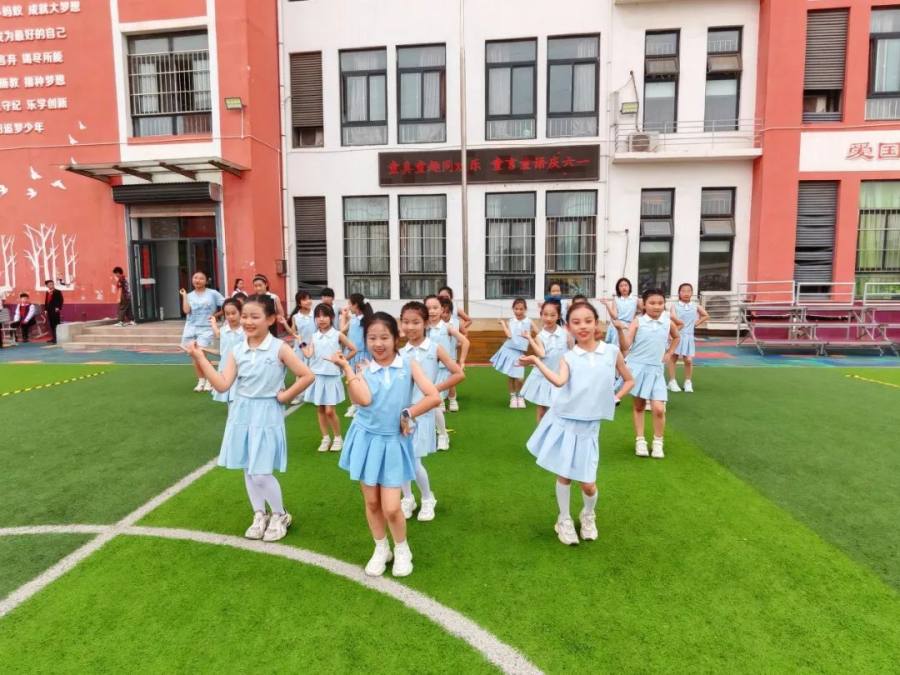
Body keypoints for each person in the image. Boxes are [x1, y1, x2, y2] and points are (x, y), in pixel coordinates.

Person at [183, 294, 315, 542]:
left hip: (267, 412)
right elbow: (223, 384)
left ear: (271, 319)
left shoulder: (279, 348)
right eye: (245, 316)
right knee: (248, 466)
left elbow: (307, 375)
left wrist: (285, 396)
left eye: (255, 316)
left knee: (261, 473)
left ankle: (280, 514)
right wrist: (200, 358)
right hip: (241, 412)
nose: (247, 321)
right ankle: (259, 514)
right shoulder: (237, 350)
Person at [333, 311, 441, 577]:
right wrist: (348, 370)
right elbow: (363, 401)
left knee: (392, 507)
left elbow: (434, 396)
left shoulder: (409, 364)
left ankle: (402, 549)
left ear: (395, 338)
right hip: (366, 440)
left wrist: (408, 413)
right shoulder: (363, 368)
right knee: (372, 502)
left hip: (393, 442)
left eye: (384, 337)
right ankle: (381, 548)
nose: (378, 343)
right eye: (372, 338)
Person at [520, 302, 634, 546]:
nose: (583, 326)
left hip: (590, 428)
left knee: (588, 483)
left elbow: (629, 380)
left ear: (596, 323)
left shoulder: (611, 351)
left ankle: (588, 515)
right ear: (569, 327)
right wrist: (537, 362)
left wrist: (615, 398)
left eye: (588, 321)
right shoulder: (568, 357)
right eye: (576, 322)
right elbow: (559, 381)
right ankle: (563, 519)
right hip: (566, 423)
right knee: (564, 476)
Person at [399, 301, 465, 521]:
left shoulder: (434, 348)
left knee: (414, 460)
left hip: (424, 412)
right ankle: (408, 498)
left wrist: (434, 389)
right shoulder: (400, 352)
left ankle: (428, 498)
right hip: (403, 414)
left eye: (415, 322)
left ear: (426, 323)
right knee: (402, 458)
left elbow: (458, 374)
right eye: (406, 322)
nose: (410, 327)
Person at [621, 288, 680, 460]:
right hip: (637, 368)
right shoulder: (638, 321)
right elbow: (626, 345)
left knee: (659, 408)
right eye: (652, 303)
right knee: (639, 406)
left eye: (660, 303)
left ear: (664, 305)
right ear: (644, 305)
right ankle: (640, 440)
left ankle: (658, 442)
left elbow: (676, 337)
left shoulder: (667, 322)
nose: (656, 306)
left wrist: (669, 353)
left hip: (656, 370)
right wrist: (619, 331)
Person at [302, 303, 357, 452]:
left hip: (332, 376)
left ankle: (338, 438)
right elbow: (309, 354)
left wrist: (342, 361)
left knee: (329, 411)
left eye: (325, 316)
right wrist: (301, 343)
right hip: (317, 376)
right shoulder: (314, 336)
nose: (321, 319)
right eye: (318, 316)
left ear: (331, 317)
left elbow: (353, 349)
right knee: (320, 409)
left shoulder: (337, 334)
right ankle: (325, 438)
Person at [424, 295, 468, 449]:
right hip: (426, 370)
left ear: (442, 310)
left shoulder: (447, 327)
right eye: (428, 308)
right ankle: (433, 432)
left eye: (435, 308)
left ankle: (443, 435)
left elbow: (465, 342)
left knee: (434, 403)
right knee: (428, 404)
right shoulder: (423, 328)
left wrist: (461, 361)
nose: (432, 311)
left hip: (443, 371)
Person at [521, 298, 570, 421]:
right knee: (542, 410)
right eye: (545, 314)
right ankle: (540, 433)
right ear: (541, 315)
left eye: (552, 315)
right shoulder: (540, 336)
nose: (548, 318)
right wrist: (530, 339)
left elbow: (572, 351)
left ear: (558, 316)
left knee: (559, 409)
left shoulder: (565, 333)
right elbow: (541, 354)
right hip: (544, 377)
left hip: (561, 376)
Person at [180, 271, 225, 392]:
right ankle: (201, 380)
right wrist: (184, 296)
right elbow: (186, 311)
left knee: (201, 354)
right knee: (195, 356)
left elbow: (226, 305)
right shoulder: (189, 295)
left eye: (201, 278)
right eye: (195, 278)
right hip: (191, 328)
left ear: (206, 281)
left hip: (206, 328)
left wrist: (215, 315)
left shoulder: (213, 293)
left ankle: (211, 380)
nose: (197, 280)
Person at [490, 297, 532, 409]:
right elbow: (509, 335)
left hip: (520, 352)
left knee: (520, 378)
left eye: (521, 309)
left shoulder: (528, 321)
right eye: (516, 309)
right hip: (509, 350)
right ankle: (513, 397)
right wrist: (503, 324)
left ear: (525, 309)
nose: (518, 311)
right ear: (513, 309)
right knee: (512, 376)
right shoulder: (511, 321)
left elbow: (538, 332)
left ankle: (520, 396)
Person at [667, 283, 709, 393]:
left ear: (692, 293)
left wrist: (696, 324)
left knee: (688, 360)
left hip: (689, 336)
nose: (686, 293)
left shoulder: (695, 306)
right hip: (677, 335)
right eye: (683, 291)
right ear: (679, 293)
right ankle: (672, 381)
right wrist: (671, 334)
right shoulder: (675, 306)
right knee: (673, 358)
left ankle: (688, 382)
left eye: (688, 291)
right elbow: (672, 319)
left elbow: (705, 315)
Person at [340, 293, 374, 417]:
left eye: (350, 304)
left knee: (362, 381)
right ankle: (354, 404)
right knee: (350, 381)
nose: (348, 306)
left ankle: (362, 406)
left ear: (356, 305)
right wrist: (344, 316)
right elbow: (342, 331)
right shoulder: (353, 319)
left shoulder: (368, 320)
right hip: (351, 354)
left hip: (363, 355)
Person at [280, 290, 316, 405]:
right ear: (299, 303)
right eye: (304, 299)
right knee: (300, 372)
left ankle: (314, 395)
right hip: (300, 347)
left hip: (314, 347)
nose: (308, 301)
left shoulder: (316, 314)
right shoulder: (296, 317)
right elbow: (293, 332)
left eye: (309, 298)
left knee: (315, 371)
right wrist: (285, 323)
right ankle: (299, 395)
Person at [209, 297, 244, 404]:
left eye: (234, 313)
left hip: (241, 371)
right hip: (225, 370)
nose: (230, 316)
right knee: (230, 401)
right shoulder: (223, 331)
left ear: (240, 312)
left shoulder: (246, 331)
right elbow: (221, 348)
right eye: (227, 314)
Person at [438, 296, 468, 413]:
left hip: (451, 356)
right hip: (438, 357)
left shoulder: (456, 322)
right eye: (443, 312)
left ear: (451, 312)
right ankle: (440, 401)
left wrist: (459, 342)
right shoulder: (435, 324)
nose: (445, 315)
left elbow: (465, 333)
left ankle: (452, 400)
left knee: (451, 381)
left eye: (447, 312)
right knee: (438, 380)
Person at [604, 278, 641, 347]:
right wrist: (607, 305)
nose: (624, 287)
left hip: (629, 326)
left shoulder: (635, 299)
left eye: (626, 285)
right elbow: (614, 316)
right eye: (621, 286)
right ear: (618, 288)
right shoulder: (616, 299)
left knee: (628, 347)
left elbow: (644, 310)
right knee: (616, 347)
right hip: (618, 325)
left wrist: (636, 318)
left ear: (629, 287)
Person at [43, 280, 64, 345]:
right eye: (49, 284)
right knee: (52, 324)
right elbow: (46, 301)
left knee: (56, 324)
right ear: (47, 286)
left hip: (55, 310)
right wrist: (46, 309)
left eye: (52, 284)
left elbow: (61, 300)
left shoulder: (57, 292)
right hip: (49, 310)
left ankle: (58, 338)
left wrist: (58, 307)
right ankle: (54, 338)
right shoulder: (47, 292)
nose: (51, 285)